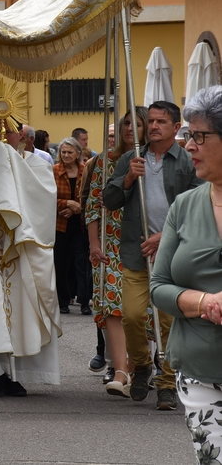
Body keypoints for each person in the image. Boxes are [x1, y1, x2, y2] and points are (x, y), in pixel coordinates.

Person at [104, 100, 203, 410]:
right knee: (132, 315)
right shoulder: (132, 159)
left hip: (174, 251)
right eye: (152, 121)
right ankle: (143, 364)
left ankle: (167, 383)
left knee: (170, 320)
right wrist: (129, 179)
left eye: (162, 121)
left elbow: (199, 205)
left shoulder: (188, 160)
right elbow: (109, 200)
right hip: (136, 250)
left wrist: (166, 236)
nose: (154, 126)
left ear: (176, 128)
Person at [0, 119, 62, 398]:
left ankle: (17, 373)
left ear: (23, 137)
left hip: (24, 247)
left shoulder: (38, 165)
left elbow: (43, 199)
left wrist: (9, 175)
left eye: (9, 130)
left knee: (24, 308)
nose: (2, 134)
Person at [150, 86, 222, 461]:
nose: (189, 145)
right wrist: (204, 301)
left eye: (199, 136)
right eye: (188, 135)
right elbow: (159, 288)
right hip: (199, 370)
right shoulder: (185, 206)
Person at [86, 108, 148, 395]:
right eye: (126, 123)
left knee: (140, 310)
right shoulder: (104, 160)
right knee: (113, 307)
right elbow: (93, 204)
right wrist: (94, 243)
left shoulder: (151, 159)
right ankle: (121, 370)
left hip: (142, 240)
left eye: (136, 124)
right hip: (110, 241)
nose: (129, 129)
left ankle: (138, 367)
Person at [52, 137, 91, 315]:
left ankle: (84, 301)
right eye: (63, 152)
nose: (66, 155)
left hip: (81, 223)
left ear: (77, 153)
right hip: (60, 223)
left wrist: (76, 208)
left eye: (69, 152)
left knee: (82, 261)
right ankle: (63, 301)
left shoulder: (86, 170)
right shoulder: (53, 171)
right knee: (60, 262)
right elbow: (47, 196)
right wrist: (66, 203)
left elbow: (91, 194)